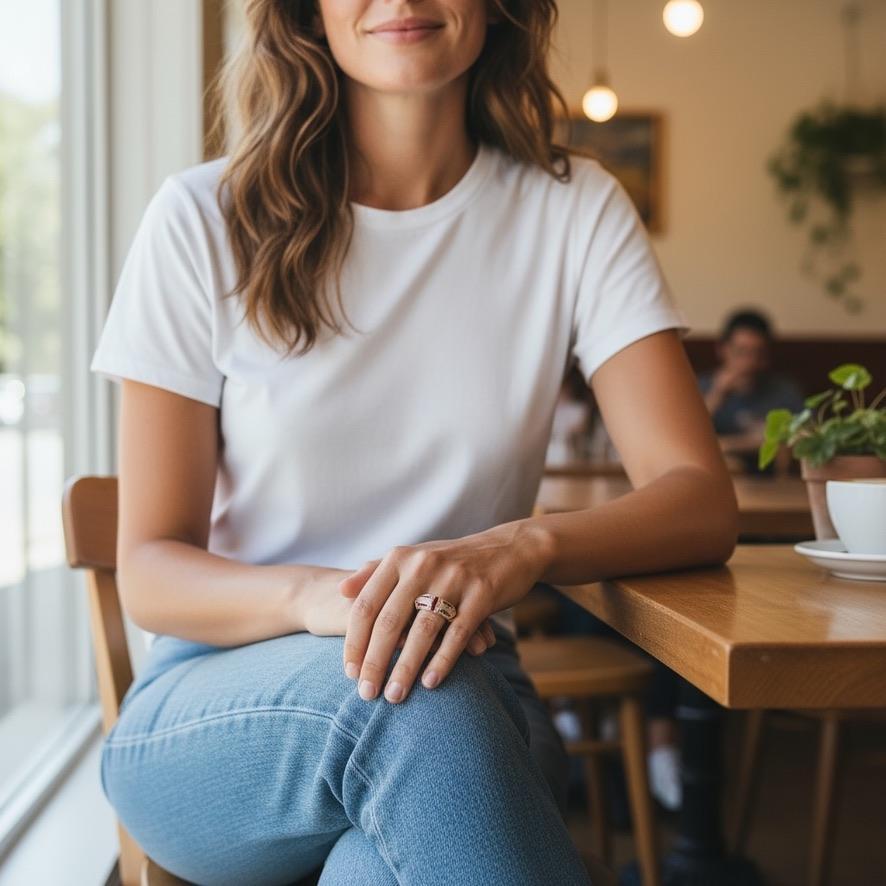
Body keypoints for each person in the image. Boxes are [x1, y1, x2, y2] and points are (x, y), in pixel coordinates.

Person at [89, 1, 739, 883]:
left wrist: (521, 545)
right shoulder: (203, 217)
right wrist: (324, 600)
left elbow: (698, 495)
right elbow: (152, 570)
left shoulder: (573, 209)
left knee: (389, 842)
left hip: (468, 692)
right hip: (222, 706)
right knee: (407, 703)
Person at [697, 308, 806, 476]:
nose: (749, 362)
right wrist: (717, 394)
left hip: (774, 483)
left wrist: (727, 444)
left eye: (758, 353)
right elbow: (687, 440)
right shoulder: (700, 387)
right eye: (741, 352)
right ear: (722, 349)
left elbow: (805, 435)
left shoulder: (783, 390)